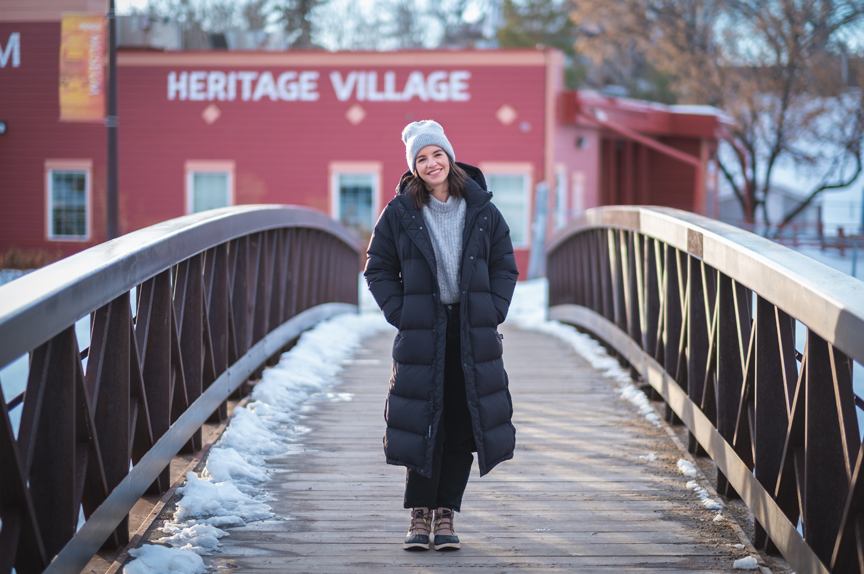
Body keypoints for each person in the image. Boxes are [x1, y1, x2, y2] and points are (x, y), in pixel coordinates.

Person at [364, 119, 519, 551]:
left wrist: (494, 309)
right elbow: (377, 269)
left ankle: (446, 513)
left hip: (471, 330)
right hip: (423, 330)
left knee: (462, 420)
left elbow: (505, 266)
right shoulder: (399, 214)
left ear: (450, 156)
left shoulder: (483, 210)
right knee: (423, 419)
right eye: (421, 158)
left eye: (437, 154)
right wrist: (401, 312)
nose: (431, 163)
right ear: (412, 167)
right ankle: (419, 514)